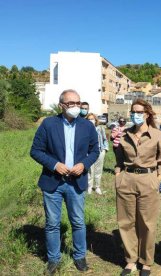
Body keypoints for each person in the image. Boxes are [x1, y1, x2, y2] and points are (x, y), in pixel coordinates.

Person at [30, 89, 99, 275]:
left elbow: (95, 151)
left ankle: (79, 256)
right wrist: (54, 164)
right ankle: (53, 259)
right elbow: (35, 151)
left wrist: (84, 165)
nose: (76, 107)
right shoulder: (48, 124)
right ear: (61, 105)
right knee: (52, 223)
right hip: (53, 182)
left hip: (76, 182)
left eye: (78, 103)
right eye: (71, 103)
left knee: (77, 221)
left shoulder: (87, 126)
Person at [114, 99, 161, 276]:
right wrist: (118, 176)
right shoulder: (124, 135)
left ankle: (146, 261)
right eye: (132, 112)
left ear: (147, 114)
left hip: (148, 180)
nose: (134, 115)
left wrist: (158, 178)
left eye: (138, 112)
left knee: (147, 223)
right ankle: (130, 260)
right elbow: (118, 160)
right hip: (127, 179)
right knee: (126, 222)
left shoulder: (158, 135)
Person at [86, 113, 109, 195]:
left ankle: (97, 187)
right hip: (89, 152)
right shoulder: (85, 129)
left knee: (98, 169)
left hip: (100, 151)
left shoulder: (100, 128)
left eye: (92, 119)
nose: (91, 121)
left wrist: (105, 149)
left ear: (95, 120)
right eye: (89, 119)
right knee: (90, 170)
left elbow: (105, 139)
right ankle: (89, 186)